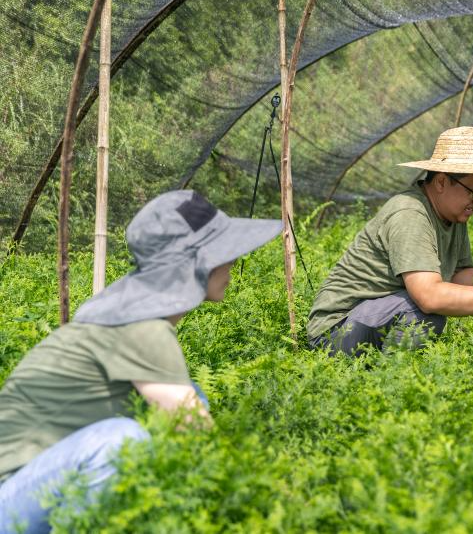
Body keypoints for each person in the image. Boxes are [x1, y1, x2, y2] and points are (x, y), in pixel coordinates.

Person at [0, 191, 282, 533]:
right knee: (122, 442)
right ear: (196, 263)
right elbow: (198, 438)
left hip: (39, 483)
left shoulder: (138, 317)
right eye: (225, 254)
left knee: (189, 395)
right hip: (11, 501)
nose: (234, 263)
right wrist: (268, 509)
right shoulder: (141, 327)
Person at [308, 126, 473, 357]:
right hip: (335, 332)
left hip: (372, 318)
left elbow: (457, 276)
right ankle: (388, 386)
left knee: (423, 309)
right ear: (441, 182)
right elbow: (430, 296)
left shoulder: (454, 215)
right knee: (424, 313)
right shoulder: (410, 214)